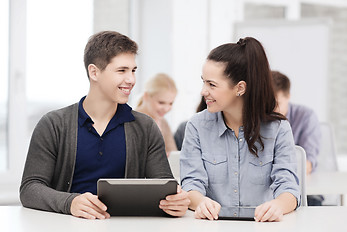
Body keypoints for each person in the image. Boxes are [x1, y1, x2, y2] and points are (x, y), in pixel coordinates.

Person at [20, 31, 190, 219]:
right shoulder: (53, 124)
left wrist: (175, 202)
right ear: (94, 72)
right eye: (121, 70)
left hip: (125, 231)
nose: (131, 80)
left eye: (133, 70)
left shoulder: (146, 127)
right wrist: (70, 203)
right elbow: (30, 188)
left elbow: (164, 188)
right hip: (67, 228)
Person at [180, 37, 300, 222]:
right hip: (212, 228)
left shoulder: (279, 129)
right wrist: (201, 202)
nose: (203, 91)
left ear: (240, 88)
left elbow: (289, 189)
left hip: (263, 229)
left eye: (212, 84)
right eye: (203, 82)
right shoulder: (197, 126)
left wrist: (277, 206)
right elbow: (191, 183)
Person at [271, 70, 323, 206]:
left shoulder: (306, 116)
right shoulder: (261, 120)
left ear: (288, 96)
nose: (272, 109)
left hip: (305, 190)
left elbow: (308, 163)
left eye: (277, 103)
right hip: (270, 192)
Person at [136, 73, 178, 155]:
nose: (166, 108)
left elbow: (174, 156)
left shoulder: (163, 123)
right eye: (161, 102)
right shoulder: (131, 121)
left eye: (170, 103)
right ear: (146, 96)